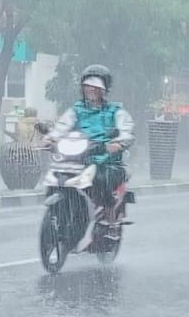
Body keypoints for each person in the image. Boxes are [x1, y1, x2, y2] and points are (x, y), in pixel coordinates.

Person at [47, 65, 135, 221]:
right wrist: (51, 138)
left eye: (96, 87)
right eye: (88, 86)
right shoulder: (76, 110)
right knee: (57, 174)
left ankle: (110, 220)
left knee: (103, 178)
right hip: (79, 159)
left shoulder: (115, 111)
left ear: (104, 89)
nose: (91, 90)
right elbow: (62, 126)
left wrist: (118, 143)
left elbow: (126, 131)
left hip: (106, 161)